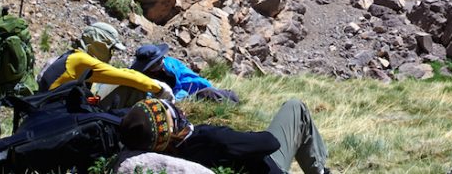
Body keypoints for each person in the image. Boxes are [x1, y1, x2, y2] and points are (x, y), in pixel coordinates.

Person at [117, 97, 331, 174]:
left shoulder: (172, 156)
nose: (174, 108)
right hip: (269, 168)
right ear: (169, 129)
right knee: (295, 107)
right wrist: (242, 136)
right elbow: (270, 143)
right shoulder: (211, 138)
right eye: (168, 110)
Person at [38, 22, 173, 107]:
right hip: (62, 113)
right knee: (134, 86)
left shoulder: (71, 56)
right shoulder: (80, 60)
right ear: (100, 45)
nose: (111, 54)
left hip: (59, 108)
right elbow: (127, 77)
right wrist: (159, 89)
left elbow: (86, 99)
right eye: (111, 49)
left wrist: (95, 101)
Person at [131, 43, 239, 102]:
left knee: (212, 92)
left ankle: (232, 100)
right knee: (209, 94)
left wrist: (207, 89)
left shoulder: (171, 64)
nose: (160, 63)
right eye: (155, 63)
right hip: (174, 102)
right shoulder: (142, 79)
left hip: (187, 94)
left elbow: (190, 79)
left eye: (160, 59)